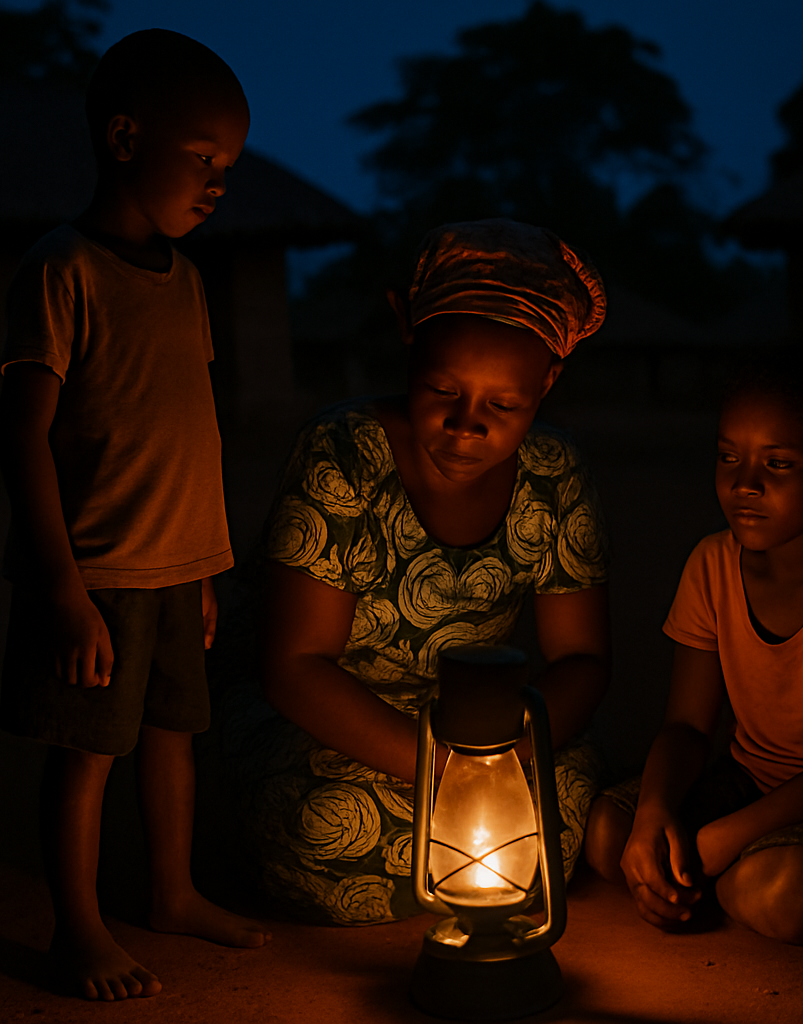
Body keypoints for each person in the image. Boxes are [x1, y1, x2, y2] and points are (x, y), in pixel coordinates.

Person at [218, 219, 612, 924]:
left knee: (569, 794)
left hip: (479, 726)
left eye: (504, 405)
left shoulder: (554, 473)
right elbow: (296, 667)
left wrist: (506, 758)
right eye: (442, 391)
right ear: (408, 341)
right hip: (330, 723)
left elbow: (581, 657)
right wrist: (451, 776)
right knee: (324, 825)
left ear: (548, 382)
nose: (467, 425)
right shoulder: (343, 454)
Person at [0, 29, 268, 1002]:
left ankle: (172, 889)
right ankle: (77, 926)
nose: (218, 184)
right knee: (86, 754)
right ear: (122, 137)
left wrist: (202, 569)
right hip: (99, 571)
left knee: (170, 735)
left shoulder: (187, 281)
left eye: (227, 168)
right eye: (202, 160)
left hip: (173, 568)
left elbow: (186, 427)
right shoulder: (62, 268)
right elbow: (23, 435)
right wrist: (63, 590)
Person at [585, 350, 803, 946]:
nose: (743, 483)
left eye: (777, 464)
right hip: (748, 782)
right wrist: (654, 812)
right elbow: (686, 727)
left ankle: (735, 878)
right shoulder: (712, 563)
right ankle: (723, 872)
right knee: (608, 832)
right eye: (728, 456)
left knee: (784, 891)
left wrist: (719, 840)